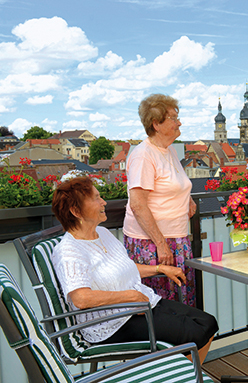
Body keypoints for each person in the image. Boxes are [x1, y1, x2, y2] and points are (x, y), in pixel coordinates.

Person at [50, 177, 218, 364]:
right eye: (96, 198)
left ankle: (184, 375)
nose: (103, 202)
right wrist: (129, 296)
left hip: (140, 306)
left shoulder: (103, 233)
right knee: (194, 333)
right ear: (75, 211)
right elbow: (80, 298)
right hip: (113, 323)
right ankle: (182, 375)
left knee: (208, 323)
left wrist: (159, 268)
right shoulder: (69, 251)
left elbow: (125, 268)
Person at [123, 94, 197, 306]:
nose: (179, 122)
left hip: (176, 238)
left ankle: (187, 340)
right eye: (173, 118)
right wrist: (161, 245)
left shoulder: (169, 150)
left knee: (183, 301)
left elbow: (173, 181)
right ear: (156, 124)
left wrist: (187, 199)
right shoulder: (143, 155)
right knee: (164, 305)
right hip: (153, 244)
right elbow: (138, 205)